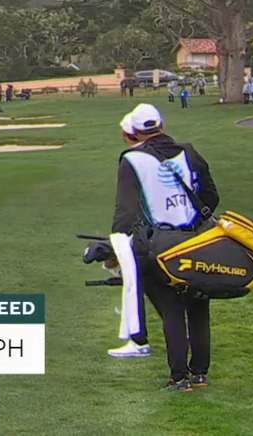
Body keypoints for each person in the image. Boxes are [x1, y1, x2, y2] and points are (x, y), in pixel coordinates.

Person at [112, 103, 219, 391]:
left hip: (158, 245)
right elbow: (210, 196)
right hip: (196, 239)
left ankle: (179, 376)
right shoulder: (190, 152)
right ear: (162, 124)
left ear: (135, 132)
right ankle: (199, 373)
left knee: (171, 309)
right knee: (197, 306)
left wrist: (117, 247)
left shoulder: (132, 159)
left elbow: (126, 210)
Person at [106, 112, 152, 360]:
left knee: (134, 284)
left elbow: (127, 204)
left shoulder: (132, 160)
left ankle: (138, 339)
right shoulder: (176, 151)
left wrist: (118, 235)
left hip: (144, 231)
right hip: (177, 227)